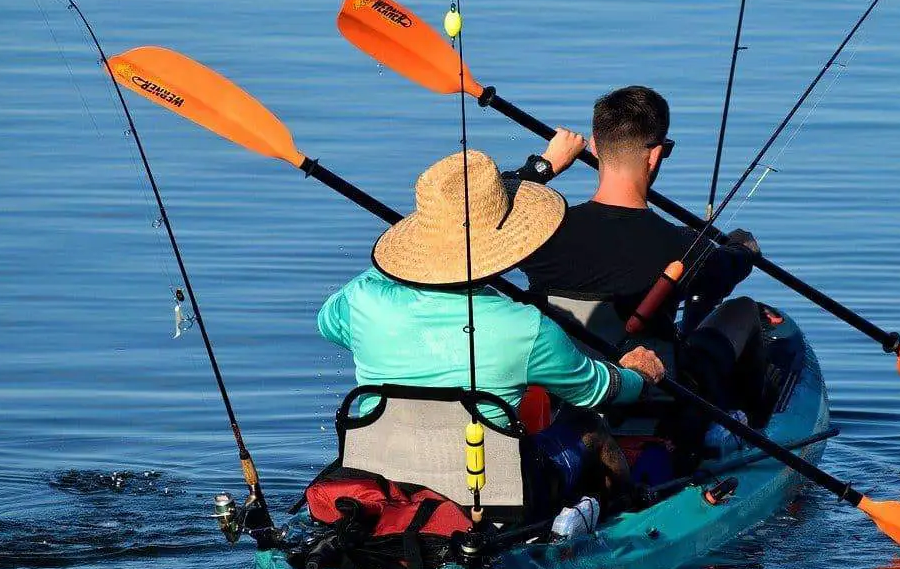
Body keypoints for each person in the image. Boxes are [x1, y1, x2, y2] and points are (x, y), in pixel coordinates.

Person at [316, 149, 666, 509]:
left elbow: (328, 324)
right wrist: (637, 377)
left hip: (386, 484)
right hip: (492, 496)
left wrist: (404, 257)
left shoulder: (362, 298)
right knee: (587, 423)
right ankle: (615, 524)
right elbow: (596, 390)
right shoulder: (525, 326)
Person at [504, 86, 772, 471]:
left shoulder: (539, 233)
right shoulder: (681, 246)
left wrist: (542, 168)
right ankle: (752, 434)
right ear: (657, 154)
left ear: (593, 146)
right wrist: (743, 248)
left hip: (564, 396)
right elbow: (730, 268)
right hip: (654, 403)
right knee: (745, 311)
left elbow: (479, 210)